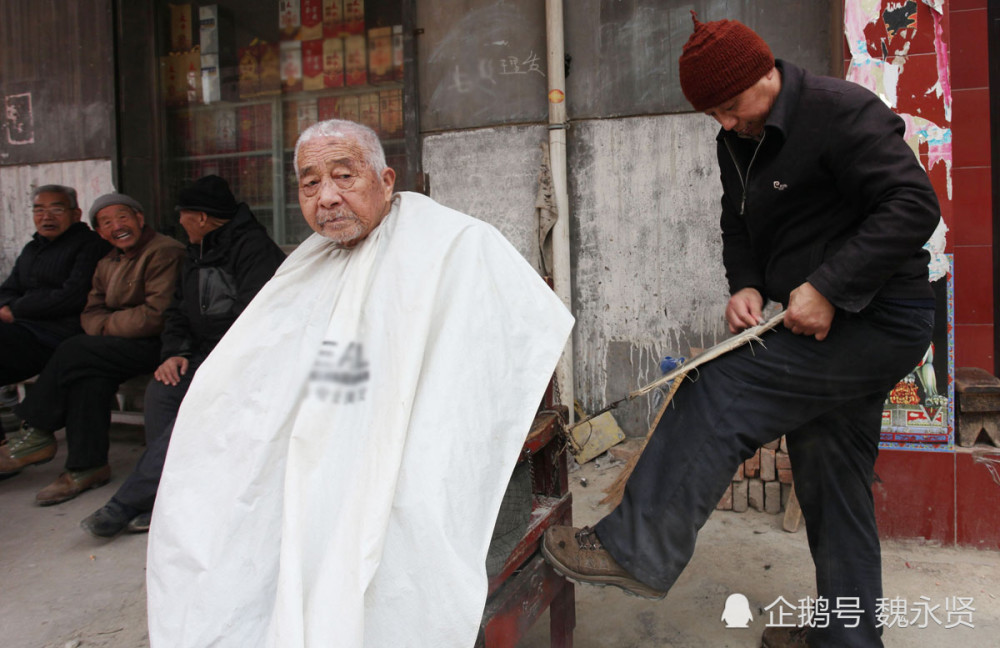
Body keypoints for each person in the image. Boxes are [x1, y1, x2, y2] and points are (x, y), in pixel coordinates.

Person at [541, 14, 939, 648]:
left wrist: (830, 285)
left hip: (880, 318)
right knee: (831, 477)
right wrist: (746, 284)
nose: (725, 123)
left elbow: (914, 205)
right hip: (816, 322)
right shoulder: (735, 138)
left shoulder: (842, 112)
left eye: (731, 106)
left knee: (716, 386)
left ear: (766, 72)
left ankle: (635, 548)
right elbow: (738, 224)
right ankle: (848, 639)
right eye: (712, 114)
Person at [147, 120, 574, 647]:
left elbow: (486, 375)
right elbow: (308, 373)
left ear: (386, 180)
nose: (327, 197)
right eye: (309, 184)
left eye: (344, 176)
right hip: (329, 441)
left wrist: (366, 431)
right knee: (217, 488)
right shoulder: (308, 266)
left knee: (386, 526)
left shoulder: (455, 246)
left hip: (419, 448)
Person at [81, 175, 285, 537]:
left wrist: (214, 362)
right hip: (201, 355)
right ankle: (169, 493)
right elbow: (177, 311)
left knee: (191, 417)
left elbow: (254, 319)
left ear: (202, 218)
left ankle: (126, 504)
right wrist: (175, 352)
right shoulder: (195, 250)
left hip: (242, 359)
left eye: (184, 215)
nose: (180, 223)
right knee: (163, 392)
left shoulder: (253, 250)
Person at [5, 193, 184, 504]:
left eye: (123, 217)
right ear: (100, 231)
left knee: (75, 350)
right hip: (115, 345)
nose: (117, 226)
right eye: (107, 223)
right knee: (88, 376)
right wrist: (106, 327)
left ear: (140, 219)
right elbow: (90, 312)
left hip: (159, 346)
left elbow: (155, 316)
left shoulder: (164, 251)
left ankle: (37, 430)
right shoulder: (107, 261)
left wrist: (106, 325)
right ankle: (87, 467)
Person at [0, 185, 109, 464]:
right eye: (39, 209)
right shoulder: (32, 247)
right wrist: (9, 306)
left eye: (56, 209)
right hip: (23, 331)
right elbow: (9, 289)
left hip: (55, 338)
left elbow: (71, 296)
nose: (46, 216)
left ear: (76, 213)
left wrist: (16, 309)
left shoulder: (89, 244)